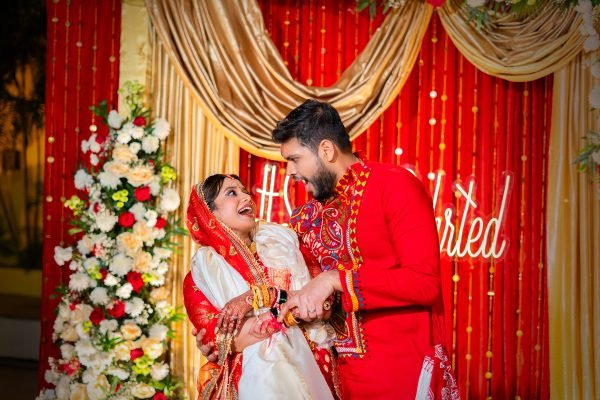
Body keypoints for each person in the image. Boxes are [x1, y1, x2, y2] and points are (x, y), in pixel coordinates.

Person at [271, 99, 459, 399]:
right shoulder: (306, 217)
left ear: (326, 150)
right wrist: (231, 330)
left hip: (403, 376)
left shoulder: (394, 186)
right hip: (335, 379)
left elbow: (425, 283)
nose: (290, 171)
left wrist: (335, 279)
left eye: (295, 158)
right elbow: (287, 288)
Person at [183, 174, 340, 400]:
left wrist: (262, 297)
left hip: (314, 368)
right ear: (210, 213)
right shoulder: (201, 277)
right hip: (251, 383)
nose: (246, 197)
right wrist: (290, 302)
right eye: (231, 193)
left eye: (245, 191)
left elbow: (323, 305)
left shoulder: (285, 246)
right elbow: (223, 341)